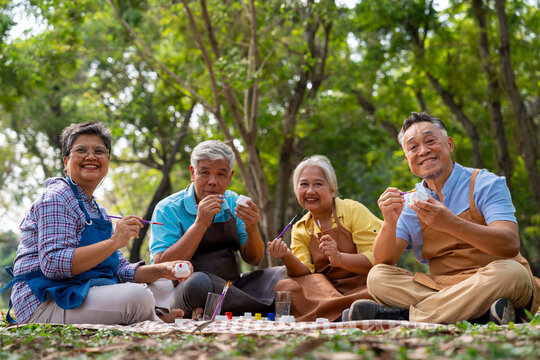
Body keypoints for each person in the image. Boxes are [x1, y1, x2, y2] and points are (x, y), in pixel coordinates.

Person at [349, 112, 540, 324]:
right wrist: (389, 222)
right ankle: (483, 314)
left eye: (430, 141)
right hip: (443, 287)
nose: (423, 151)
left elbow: (510, 244)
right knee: (377, 278)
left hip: (493, 279)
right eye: (413, 147)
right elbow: (384, 262)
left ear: (449, 144)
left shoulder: (485, 183)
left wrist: (450, 223)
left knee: (513, 273)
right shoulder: (409, 202)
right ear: (407, 159)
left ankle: (406, 317)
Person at [3, 122, 192, 325]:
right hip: (44, 302)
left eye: (99, 151)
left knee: (162, 284)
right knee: (137, 296)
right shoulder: (56, 198)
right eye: (81, 150)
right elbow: (54, 264)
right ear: (66, 162)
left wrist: (163, 269)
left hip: (81, 291)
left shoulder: (97, 210)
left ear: (107, 162)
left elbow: (120, 270)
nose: (91, 157)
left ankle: (151, 314)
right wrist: (113, 242)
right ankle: (154, 316)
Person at [149, 140, 286, 319]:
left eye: (221, 174)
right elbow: (162, 265)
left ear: (230, 177)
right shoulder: (167, 209)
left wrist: (252, 229)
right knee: (198, 283)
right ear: (192, 173)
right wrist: (199, 224)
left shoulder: (233, 202)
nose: (212, 182)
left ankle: (218, 308)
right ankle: (257, 307)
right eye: (204, 172)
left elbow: (255, 258)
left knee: (282, 274)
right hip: (186, 289)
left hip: (234, 287)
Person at [267, 155, 382, 321]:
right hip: (324, 293)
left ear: (333, 189)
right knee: (286, 286)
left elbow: (377, 258)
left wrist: (339, 258)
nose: (310, 191)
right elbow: (305, 273)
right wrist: (286, 256)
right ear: (296, 190)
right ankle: (348, 312)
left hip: (363, 286)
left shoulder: (353, 210)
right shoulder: (301, 227)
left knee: (383, 279)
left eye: (318, 184)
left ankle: (333, 313)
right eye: (304, 184)